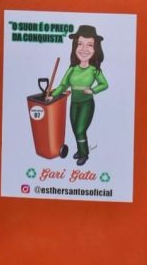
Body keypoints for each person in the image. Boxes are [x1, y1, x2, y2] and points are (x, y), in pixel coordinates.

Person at [46, 24, 108, 166]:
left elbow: (104, 84)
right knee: (75, 129)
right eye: (80, 44)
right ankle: (80, 151)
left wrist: (93, 90)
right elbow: (63, 85)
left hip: (87, 103)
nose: (84, 49)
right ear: (75, 46)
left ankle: (84, 154)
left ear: (95, 48)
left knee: (80, 129)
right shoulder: (72, 68)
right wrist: (53, 96)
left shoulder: (94, 70)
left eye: (90, 45)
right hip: (74, 103)